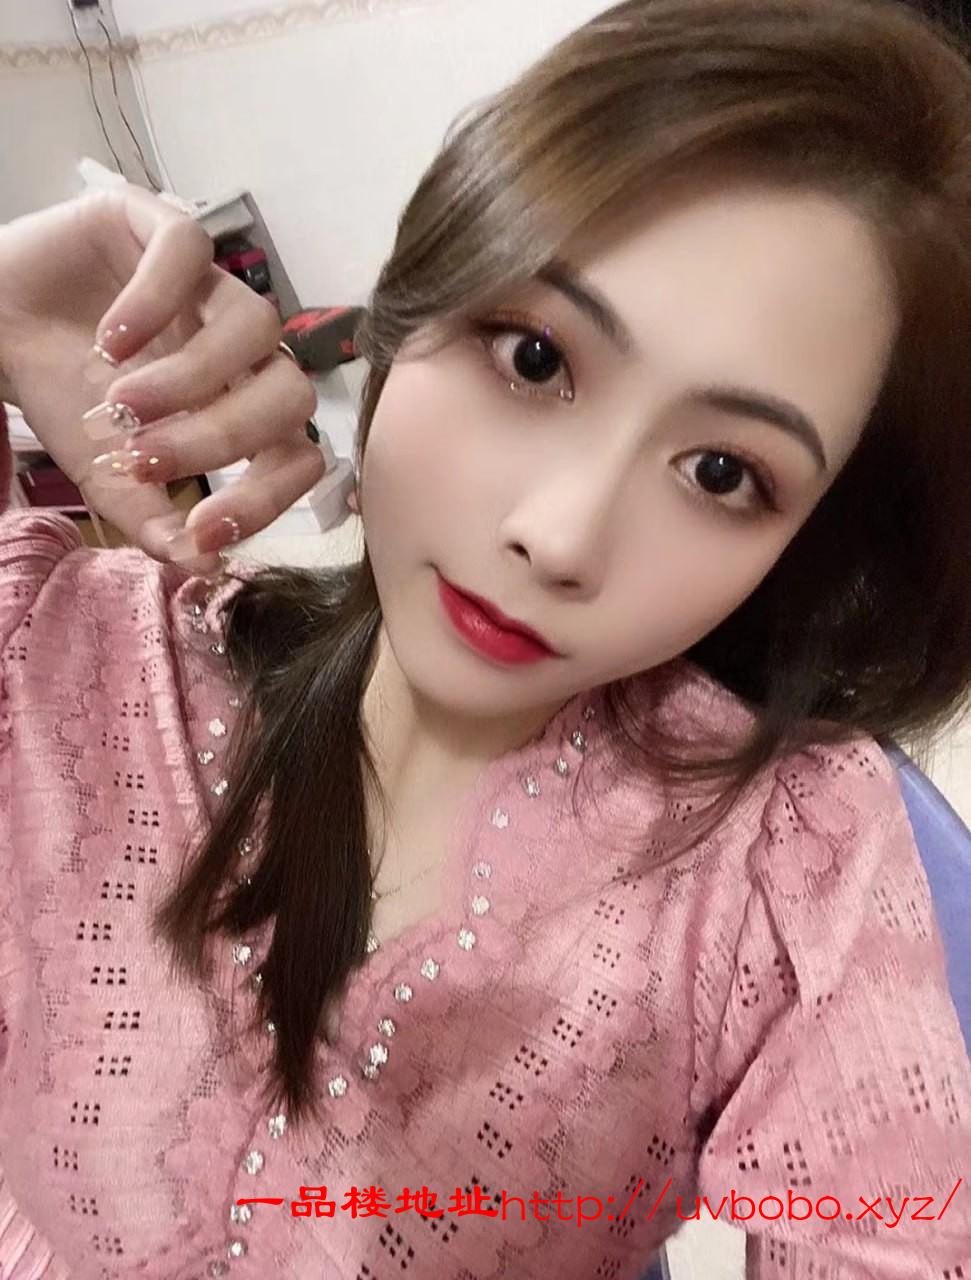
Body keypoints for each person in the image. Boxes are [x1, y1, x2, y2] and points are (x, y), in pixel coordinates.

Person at [0, 0, 969, 1276]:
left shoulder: (789, 863)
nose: (559, 535)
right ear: (408, 311)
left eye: (722, 472)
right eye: (533, 356)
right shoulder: (64, 655)